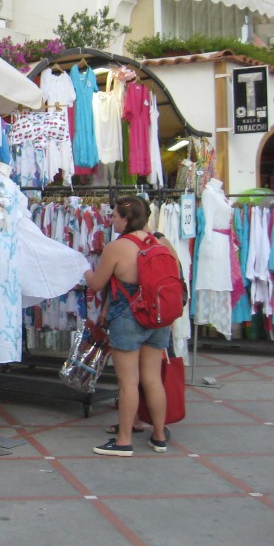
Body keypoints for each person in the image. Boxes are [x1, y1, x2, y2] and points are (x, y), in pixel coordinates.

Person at [84, 195, 176, 456]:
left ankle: (124, 440)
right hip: (159, 318)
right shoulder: (162, 241)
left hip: (129, 318)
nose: (111, 219)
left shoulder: (118, 247)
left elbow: (96, 284)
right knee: (152, 378)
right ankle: (158, 435)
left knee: (128, 382)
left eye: (114, 215)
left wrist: (85, 270)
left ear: (126, 218)